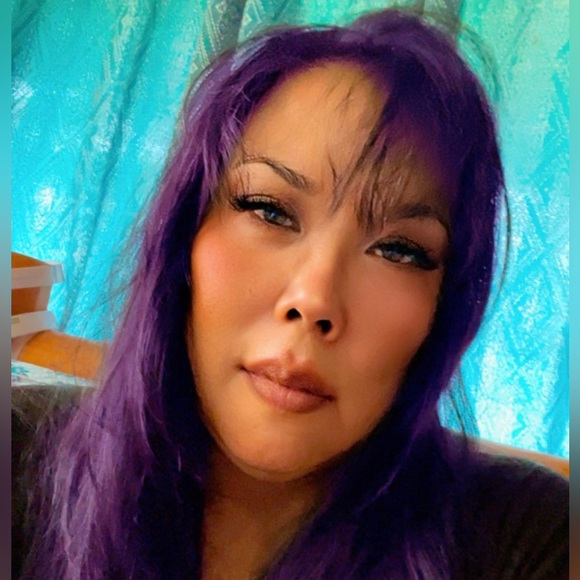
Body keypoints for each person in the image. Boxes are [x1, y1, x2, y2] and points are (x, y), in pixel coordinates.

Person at [21, 7, 568, 579]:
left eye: (399, 250)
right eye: (270, 210)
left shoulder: (533, 539)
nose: (314, 300)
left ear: (443, 309)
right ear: (185, 236)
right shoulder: (20, 460)